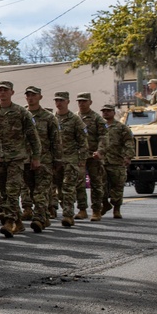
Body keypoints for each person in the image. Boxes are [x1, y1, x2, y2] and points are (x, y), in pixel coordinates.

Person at [0, 81, 41, 238]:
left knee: (13, 190)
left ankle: (9, 221)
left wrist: (36, 156)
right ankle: (18, 223)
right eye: (0, 90)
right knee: (3, 192)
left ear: (12, 92)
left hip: (17, 158)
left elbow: (33, 136)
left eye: (5, 90)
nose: (2, 93)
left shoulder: (21, 112)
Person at [23, 86, 61, 232]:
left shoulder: (48, 117)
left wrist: (57, 160)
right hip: (26, 160)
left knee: (41, 191)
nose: (30, 97)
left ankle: (38, 218)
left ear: (40, 97)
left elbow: (56, 140)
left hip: (45, 160)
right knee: (32, 191)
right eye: (28, 95)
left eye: (33, 95)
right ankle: (44, 215)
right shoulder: (22, 114)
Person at [53, 91, 89, 227]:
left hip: (71, 159)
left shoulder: (75, 119)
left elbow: (83, 141)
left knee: (68, 188)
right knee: (60, 189)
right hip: (56, 160)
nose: (59, 103)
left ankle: (68, 215)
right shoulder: (52, 118)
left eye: (61, 100)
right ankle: (65, 209)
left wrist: (82, 160)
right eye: (56, 100)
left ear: (67, 101)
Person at [96, 104, 133, 219]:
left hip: (117, 161)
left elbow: (129, 142)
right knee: (100, 186)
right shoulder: (99, 127)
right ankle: (105, 204)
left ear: (113, 112)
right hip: (101, 161)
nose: (105, 113)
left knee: (117, 186)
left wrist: (128, 156)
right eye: (104, 111)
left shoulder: (121, 127)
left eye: (108, 111)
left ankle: (117, 209)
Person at [76, 92, 108, 222]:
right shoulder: (74, 117)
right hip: (80, 156)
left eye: (84, 101)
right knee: (79, 183)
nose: (81, 103)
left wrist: (100, 151)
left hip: (94, 156)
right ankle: (82, 209)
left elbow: (104, 137)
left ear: (90, 102)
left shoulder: (97, 119)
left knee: (96, 183)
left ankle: (96, 210)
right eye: (79, 101)